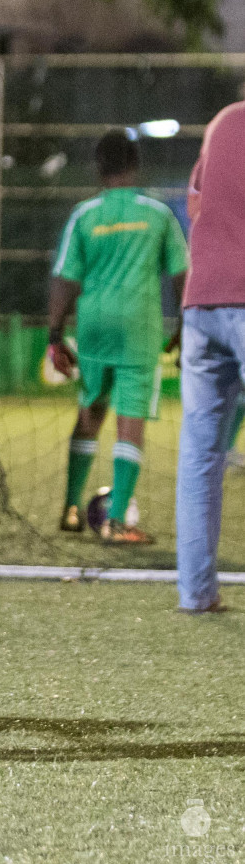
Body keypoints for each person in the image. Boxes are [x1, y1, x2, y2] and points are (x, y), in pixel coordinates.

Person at [47, 130, 188, 545]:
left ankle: (72, 509)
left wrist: (55, 335)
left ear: (98, 167)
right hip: (137, 328)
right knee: (131, 421)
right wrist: (185, 325)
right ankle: (117, 521)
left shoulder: (84, 214)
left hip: (92, 327)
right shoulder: (157, 213)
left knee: (90, 413)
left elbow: (64, 279)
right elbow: (182, 276)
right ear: (135, 164)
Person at [176, 99, 245, 614]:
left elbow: (195, 204)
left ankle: (197, 593)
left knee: (201, 457)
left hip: (201, 302)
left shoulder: (222, 120)